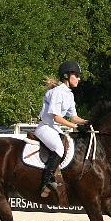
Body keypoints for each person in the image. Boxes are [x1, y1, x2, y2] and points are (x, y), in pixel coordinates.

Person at [35, 61, 89, 198]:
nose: (79, 78)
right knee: (59, 148)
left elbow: (74, 117)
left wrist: (89, 122)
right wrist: (75, 127)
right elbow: (56, 117)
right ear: (67, 76)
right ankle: (46, 182)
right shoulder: (58, 92)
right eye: (76, 75)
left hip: (55, 129)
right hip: (46, 128)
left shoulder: (69, 94)